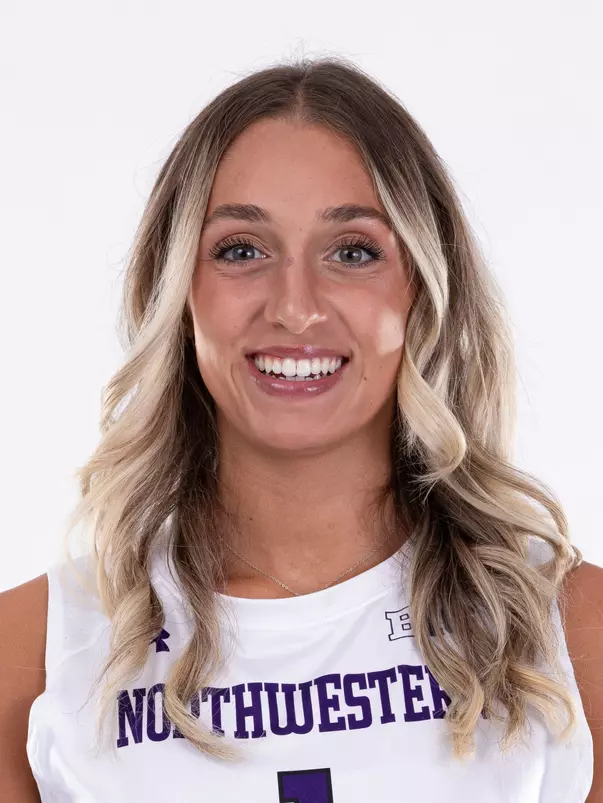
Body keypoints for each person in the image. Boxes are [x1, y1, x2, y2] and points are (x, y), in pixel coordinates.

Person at [0, 56, 601, 803]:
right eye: (240, 250)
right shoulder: (33, 653)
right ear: (176, 289)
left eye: (352, 251)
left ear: (424, 284)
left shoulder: (572, 636)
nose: (294, 305)